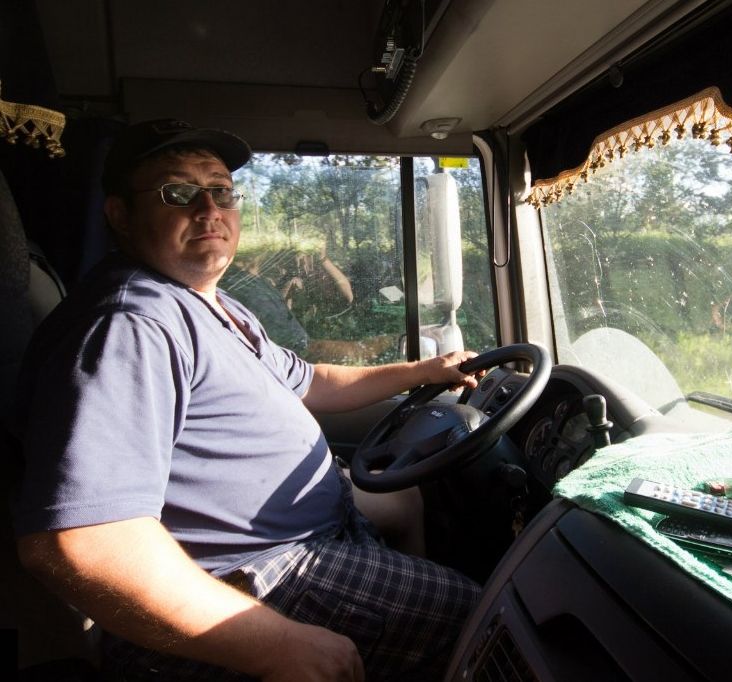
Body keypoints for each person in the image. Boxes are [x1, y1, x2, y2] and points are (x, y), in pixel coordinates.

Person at [10, 119, 483, 682]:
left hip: (305, 529)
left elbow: (309, 381)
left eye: (222, 191)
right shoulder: (131, 328)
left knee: (404, 502)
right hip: (250, 574)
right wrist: (275, 644)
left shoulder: (210, 304)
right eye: (178, 192)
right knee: (486, 620)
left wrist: (423, 370)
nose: (209, 208)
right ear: (120, 215)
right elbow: (79, 542)